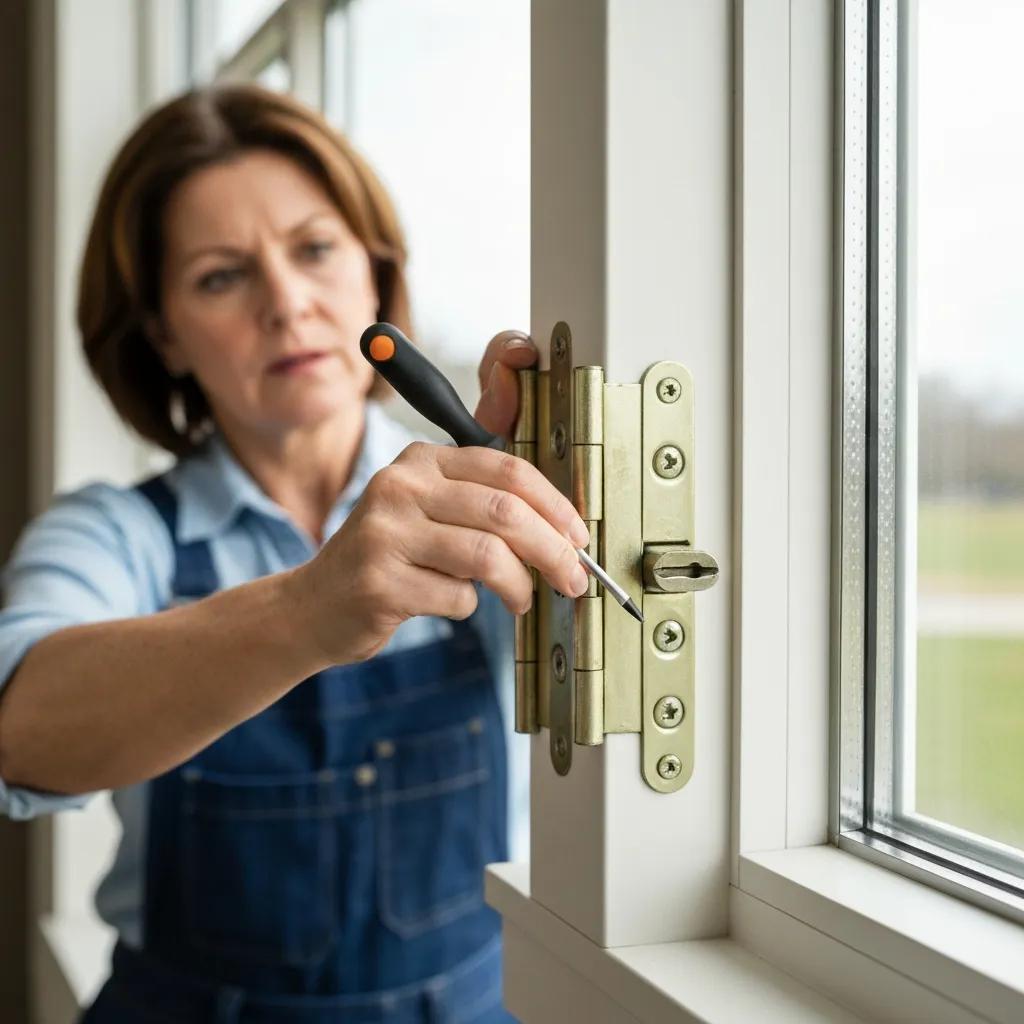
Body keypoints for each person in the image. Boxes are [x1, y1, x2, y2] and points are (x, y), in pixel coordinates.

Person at [0, 84, 591, 1023]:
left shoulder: (478, 494)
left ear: (375, 277)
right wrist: (312, 608)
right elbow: (20, 728)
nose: (287, 301)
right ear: (163, 334)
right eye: (220, 276)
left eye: (315, 249)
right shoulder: (116, 535)